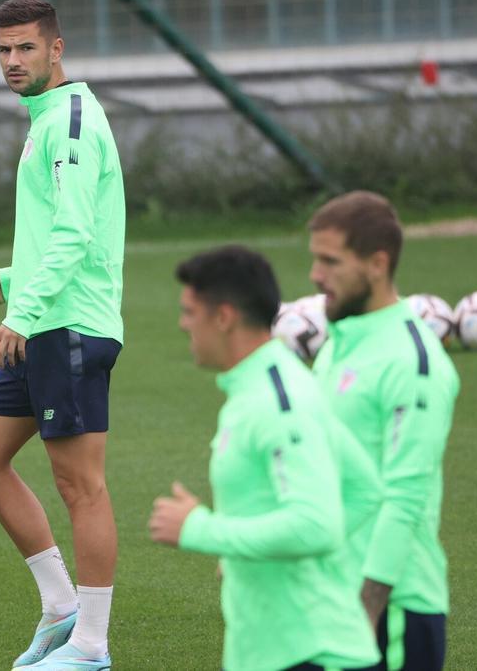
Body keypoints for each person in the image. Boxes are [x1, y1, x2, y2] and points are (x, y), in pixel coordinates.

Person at [0, 0, 126, 668]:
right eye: (3, 50)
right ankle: (60, 607)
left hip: (70, 326)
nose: (12, 61)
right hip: (45, 313)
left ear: (56, 50)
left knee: (79, 484)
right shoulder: (45, 118)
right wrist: (15, 273)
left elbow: (77, 230)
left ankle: (91, 645)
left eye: (26, 48)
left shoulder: (73, 120)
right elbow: (61, 231)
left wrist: (22, 312)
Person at [149, 245, 381, 671]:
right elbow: (365, 490)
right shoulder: (260, 385)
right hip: (275, 650)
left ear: (223, 317)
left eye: (189, 311)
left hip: (312, 652)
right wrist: (250, 545)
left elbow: (315, 524)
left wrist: (206, 531)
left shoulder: (279, 400)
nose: (183, 324)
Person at [307, 191, 460, 670]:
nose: (316, 275)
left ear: (377, 264)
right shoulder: (340, 341)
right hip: (327, 595)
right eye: (315, 259)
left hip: (389, 609)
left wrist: (366, 608)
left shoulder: (413, 362)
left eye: (331, 261)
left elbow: (406, 495)